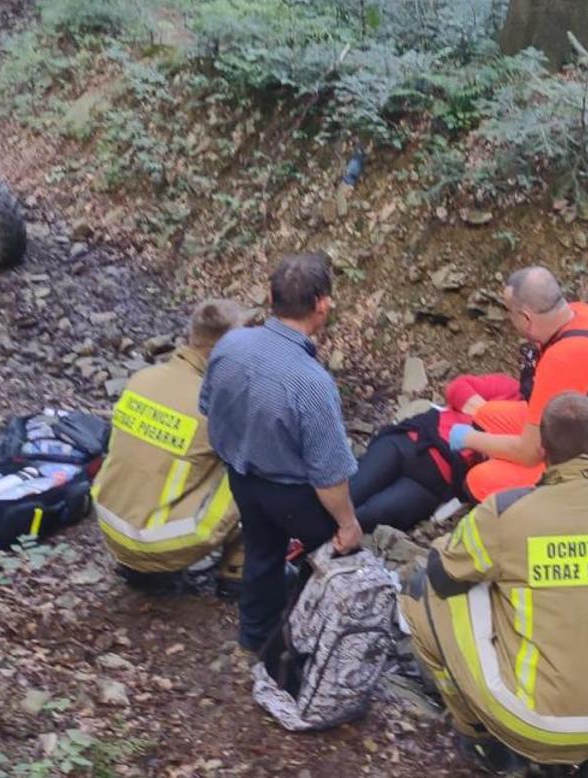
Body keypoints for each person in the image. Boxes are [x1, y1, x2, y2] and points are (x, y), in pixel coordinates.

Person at [403, 393, 588, 776]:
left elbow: (443, 572)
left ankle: (479, 736)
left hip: (534, 724)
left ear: (542, 450)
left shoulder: (507, 512)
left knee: (421, 593)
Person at [199, 253, 363, 653]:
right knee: (330, 557)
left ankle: (254, 640)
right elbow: (329, 475)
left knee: (262, 551)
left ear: (271, 297)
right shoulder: (312, 382)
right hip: (290, 493)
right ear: (321, 305)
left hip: (241, 475)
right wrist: (347, 524)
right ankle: (309, 646)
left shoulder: (230, 344)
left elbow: (208, 407)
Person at [450, 267, 588, 502]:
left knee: (480, 481)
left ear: (526, 317)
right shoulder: (581, 313)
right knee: (488, 415)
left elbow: (529, 453)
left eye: (509, 312)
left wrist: (468, 439)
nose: (508, 318)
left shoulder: (562, 358)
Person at [93, 299, 246, 597]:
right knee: (260, 472)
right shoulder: (216, 404)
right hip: (157, 542)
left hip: (110, 526)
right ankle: (237, 575)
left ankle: (138, 567)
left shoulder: (142, 378)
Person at [350, 373, 521, 531]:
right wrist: (488, 416)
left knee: (369, 515)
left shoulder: (537, 446)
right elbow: (457, 387)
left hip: (434, 484)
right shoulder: (512, 390)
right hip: (411, 442)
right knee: (351, 493)